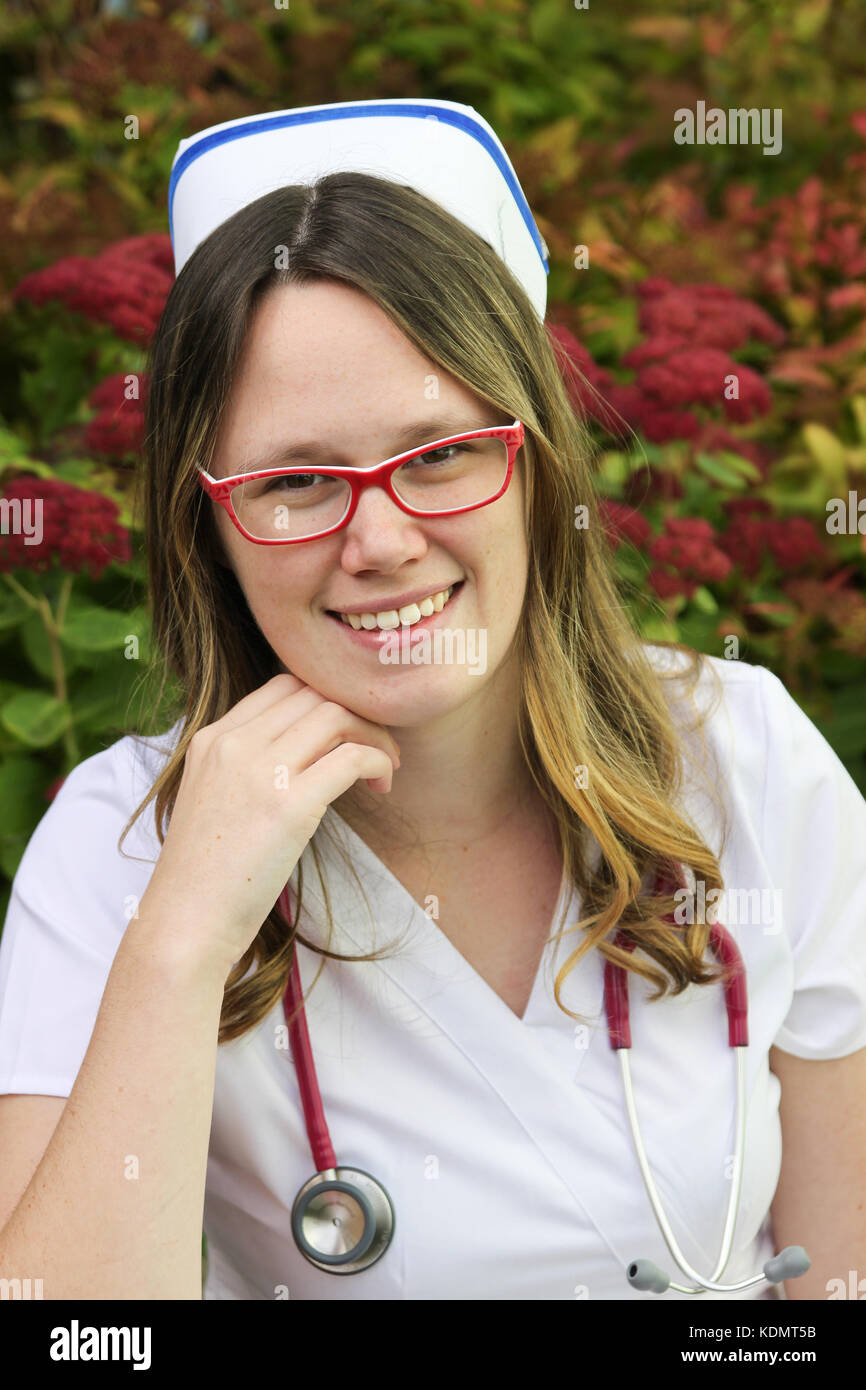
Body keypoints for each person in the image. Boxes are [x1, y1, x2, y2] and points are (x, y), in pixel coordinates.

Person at [0, 99, 864, 1302]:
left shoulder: (744, 754)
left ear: (535, 460)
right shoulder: (119, 847)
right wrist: (186, 930)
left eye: (440, 453)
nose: (382, 539)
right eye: (297, 478)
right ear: (209, 517)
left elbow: (836, 1281)